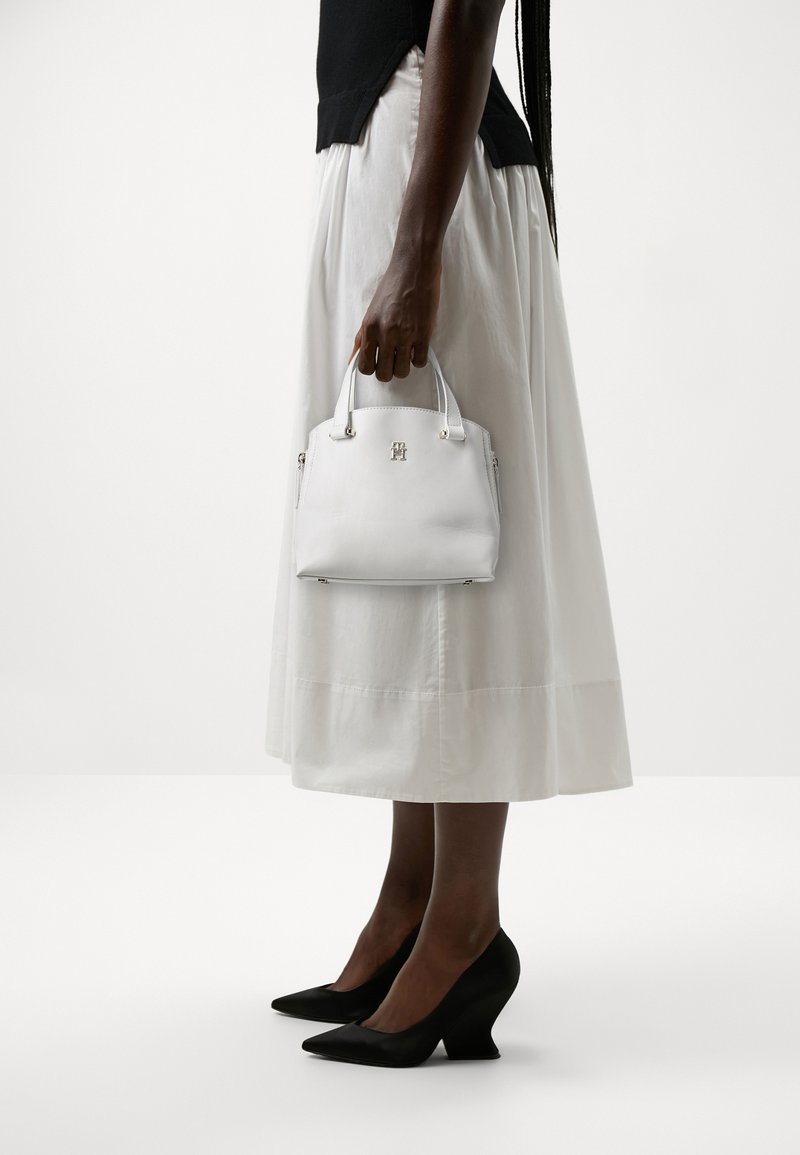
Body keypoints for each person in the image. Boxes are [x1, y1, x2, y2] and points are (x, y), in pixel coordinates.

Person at [266, 0, 633, 1067]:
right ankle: (411, 898)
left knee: (449, 558)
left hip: (427, 168)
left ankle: (464, 922)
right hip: (396, 157)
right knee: (403, 549)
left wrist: (416, 248)